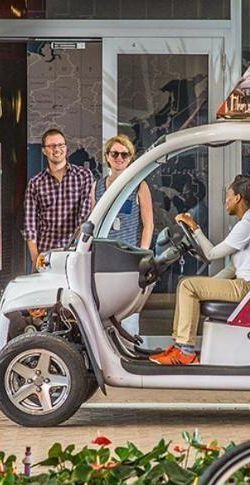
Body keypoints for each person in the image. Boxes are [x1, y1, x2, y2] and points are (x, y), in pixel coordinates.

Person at [150, 175, 250, 365]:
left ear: (238, 198)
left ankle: (185, 351)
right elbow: (233, 266)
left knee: (188, 286)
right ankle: (180, 346)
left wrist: (195, 227)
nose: (226, 201)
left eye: (228, 196)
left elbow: (211, 254)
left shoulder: (247, 225)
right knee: (187, 284)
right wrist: (208, 286)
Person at [93, 135, 154, 337]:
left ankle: (129, 345)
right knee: (103, 309)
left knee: (127, 310)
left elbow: (148, 225)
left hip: (129, 258)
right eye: (114, 154)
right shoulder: (97, 187)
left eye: (124, 154)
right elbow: (94, 223)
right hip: (104, 259)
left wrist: (142, 255)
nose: (119, 158)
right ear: (107, 157)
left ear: (130, 158)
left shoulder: (139, 186)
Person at [24, 128, 94, 270]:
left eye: (60, 145)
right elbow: (30, 225)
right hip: (46, 254)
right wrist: (36, 260)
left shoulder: (84, 176)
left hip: (75, 253)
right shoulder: (35, 183)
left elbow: (85, 216)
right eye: (51, 146)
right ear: (44, 151)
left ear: (66, 148)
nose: (56, 149)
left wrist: (76, 249)